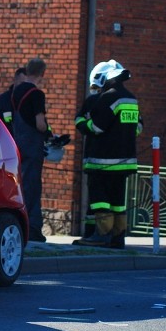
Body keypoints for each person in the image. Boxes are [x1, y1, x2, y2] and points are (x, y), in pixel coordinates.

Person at [73, 59, 143, 248]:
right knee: (117, 200)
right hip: (125, 161)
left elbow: (96, 127)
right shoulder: (131, 98)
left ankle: (102, 235)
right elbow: (137, 128)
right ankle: (118, 237)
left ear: (103, 78)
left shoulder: (108, 98)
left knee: (99, 198)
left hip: (103, 161)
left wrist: (80, 121)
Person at [11, 58, 50, 242]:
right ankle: (33, 228)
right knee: (33, 186)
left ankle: (21, 224)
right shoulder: (37, 95)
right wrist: (50, 133)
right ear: (42, 73)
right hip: (33, 145)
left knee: (21, 185)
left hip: (18, 142)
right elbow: (40, 124)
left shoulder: (16, 91)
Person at [74, 70, 103, 237]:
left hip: (92, 156)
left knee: (95, 198)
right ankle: (102, 233)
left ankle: (91, 233)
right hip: (106, 158)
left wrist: (88, 127)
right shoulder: (110, 100)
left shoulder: (92, 101)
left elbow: (78, 121)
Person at [0, 67, 26, 134]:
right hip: (5, 142)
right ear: (15, 80)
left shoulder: (32, 102)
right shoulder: (1, 101)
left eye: (27, 84)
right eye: (22, 83)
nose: (24, 87)